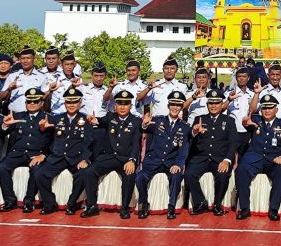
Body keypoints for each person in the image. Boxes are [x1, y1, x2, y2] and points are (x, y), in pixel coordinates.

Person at [75, 90, 142, 218]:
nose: (122, 107)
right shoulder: (110, 117)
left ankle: (125, 208)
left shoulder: (136, 121)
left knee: (129, 174)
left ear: (130, 106)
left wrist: (132, 160)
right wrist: (92, 119)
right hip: (109, 157)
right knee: (89, 171)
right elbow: (98, 121)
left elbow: (136, 143)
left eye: (126, 104)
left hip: (125, 159)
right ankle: (92, 206)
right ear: (115, 106)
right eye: (119, 104)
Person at [33, 88, 93, 215]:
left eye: (74, 102)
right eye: (68, 102)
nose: (71, 105)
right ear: (65, 103)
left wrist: (85, 159)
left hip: (76, 157)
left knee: (83, 174)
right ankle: (50, 204)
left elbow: (88, 142)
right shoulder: (56, 118)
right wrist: (43, 128)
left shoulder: (86, 120)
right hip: (58, 157)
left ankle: (71, 204)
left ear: (80, 103)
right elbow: (46, 136)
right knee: (40, 174)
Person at [236, 94, 281, 221]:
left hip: (273, 160)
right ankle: (245, 208)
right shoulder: (256, 121)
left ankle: (273, 209)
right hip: (255, 159)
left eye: (270, 108)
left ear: (276, 110)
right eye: (264, 108)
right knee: (241, 169)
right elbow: (247, 122)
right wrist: (245, 123)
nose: (267, 111)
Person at [0, 88, 54, 213]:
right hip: (17, 153)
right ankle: (9, 200)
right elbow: (1, 134)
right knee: (2, 167)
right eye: (29, 101)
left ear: (41, 103)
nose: (32, 104)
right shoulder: (17, 116)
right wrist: (6, 125)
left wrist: (44, 155)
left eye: (35, 101)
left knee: (36, 169)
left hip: (36, 153)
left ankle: (29, 201)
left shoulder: (49, 118)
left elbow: (54, 141)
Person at [135, 91, 189, 219]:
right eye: (172, 105)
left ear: (181, 108)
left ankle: (171, 207)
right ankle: (144, 203)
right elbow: (145, 128)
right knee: (140, 177)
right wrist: (144, 124)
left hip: (170, 162)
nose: (175, 108)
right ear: (168, 106)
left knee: (176, 176)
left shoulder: (185, 127)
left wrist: (178, 164)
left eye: (178, 105)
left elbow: (183, 149)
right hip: (154, 161)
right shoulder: (157, 121)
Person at [186, 89, 238, 217]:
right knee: (189, 174)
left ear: (222, 105)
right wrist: (194, 132)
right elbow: (190, 139)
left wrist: (227, 160)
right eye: (211, 103)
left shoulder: (229, 121)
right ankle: (200, 202)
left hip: (219, 159)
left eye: (216, 103)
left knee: (222, 174)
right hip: (201, 158)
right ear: (207, 104)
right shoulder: (199, 119)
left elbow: (233, 143)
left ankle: (217, 204)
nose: (213, 106)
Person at [0, 46, 48, 114]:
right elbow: (1, 97)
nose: (25, 61)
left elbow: (44, 98)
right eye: (23, 58)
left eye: (28, 58)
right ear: (19, 59)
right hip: (14, 115)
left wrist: (50, 91)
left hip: (33, 115)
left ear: (34, 59)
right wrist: (9, 89)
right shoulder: (12, 76)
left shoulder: (42, 77)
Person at [222, 67, 254, 155]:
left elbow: (255, 111)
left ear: (248, 78)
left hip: (247, 131)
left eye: (244, 76)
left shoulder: (253, 94)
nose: (242, 79)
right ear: (236, 78)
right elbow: (221, 110)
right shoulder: (228, 94)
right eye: (239, 76)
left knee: (244, 159)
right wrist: (229, 99)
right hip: (232, 131)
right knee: (229, 158)